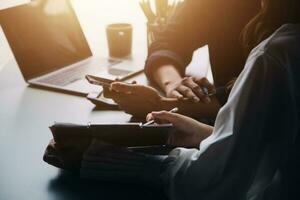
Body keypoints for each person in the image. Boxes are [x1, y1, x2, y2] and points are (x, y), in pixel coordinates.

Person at [81, 0, 300, 199]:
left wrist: (103, 160)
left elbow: (211, 181)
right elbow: (168, 41)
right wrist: (176, 90)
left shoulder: (275, 53)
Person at [105, 0, 261, 118]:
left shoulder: (278, 14)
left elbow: (259, 92)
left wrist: (160, 105)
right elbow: (168, 41)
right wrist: (172, 83)